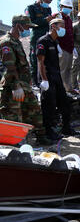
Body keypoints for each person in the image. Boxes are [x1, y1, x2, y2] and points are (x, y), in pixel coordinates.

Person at [0, 15, 53, 145]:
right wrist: (16, 86)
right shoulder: (6, 42)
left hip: (24, 84)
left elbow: (22, 66)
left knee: (34, 110)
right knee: (14, 115)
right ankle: (15, 142)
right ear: (18, 25)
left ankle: (40, 137)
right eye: (27, 26)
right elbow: (10, 66)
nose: (28, 29)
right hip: (12, 86)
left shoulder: (17, 41)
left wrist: (28, 83)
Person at [36, 18, 79, 140]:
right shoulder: (43, 41)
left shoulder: (55, 42)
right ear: (54, 27)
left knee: (65, 103)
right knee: (48, 105)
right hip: (47, 77)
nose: (64, 29)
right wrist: (44, 80)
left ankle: (66, 128)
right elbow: (41, 62)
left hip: (56, 76)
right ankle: (48, 132)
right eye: (62, 26)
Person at [25, 0, 57, 87]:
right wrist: (45, 20)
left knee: (46, 60)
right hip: (36, 38)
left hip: (47, 38)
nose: (47, 4)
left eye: (49, 3)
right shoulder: (31, 8)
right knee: (35, 60)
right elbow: (30, 23)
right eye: (46, 2)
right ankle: (35, 83)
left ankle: (45, 80)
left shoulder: (48, 10)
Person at [57, 0, 75, 92]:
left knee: (68, 69)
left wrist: (73, 47)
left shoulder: (69, 19)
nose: (68, 9)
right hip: (62, 47)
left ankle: (68, 88)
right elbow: (53, 31)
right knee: (62, 70)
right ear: (61, 6)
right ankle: (62, 90)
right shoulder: (57, 17)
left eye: (69, 7)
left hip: (69, 48)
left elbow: (70, 33)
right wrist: (57, 45)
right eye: (66, 6)